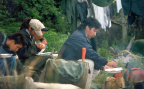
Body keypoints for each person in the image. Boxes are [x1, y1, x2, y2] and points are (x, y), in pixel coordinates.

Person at [58, 17, 117, 89]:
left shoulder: (80, 35)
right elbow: (90, 53)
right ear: (87, 27)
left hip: (70, 64)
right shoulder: (78, 37)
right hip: (65, 67)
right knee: (89, 63)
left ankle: (81, 86)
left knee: (96, 68)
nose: (95, 34)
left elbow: (88, 54)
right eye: (94, 31)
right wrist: (107, 62)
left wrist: (102, 67)